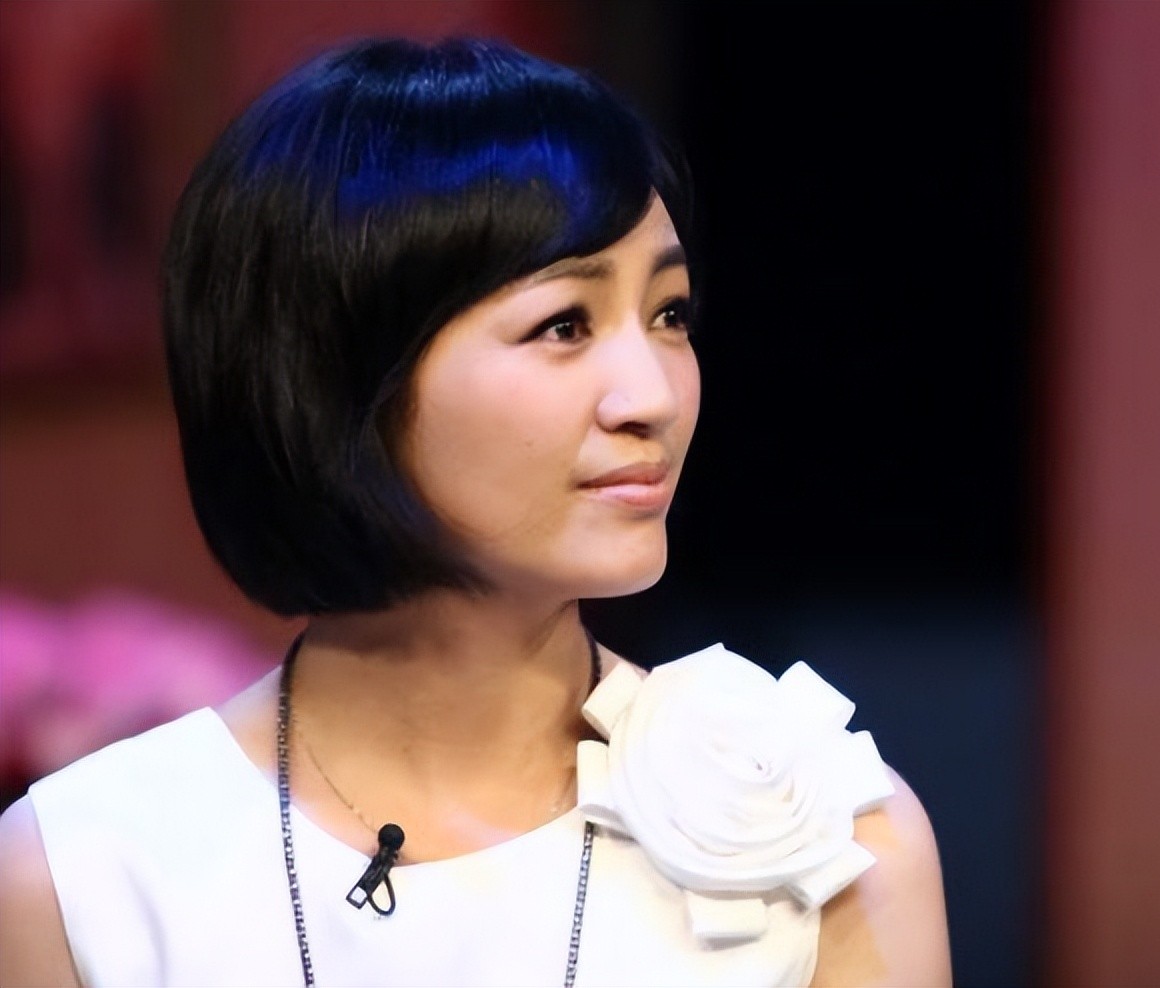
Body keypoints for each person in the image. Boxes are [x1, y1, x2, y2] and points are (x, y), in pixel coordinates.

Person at [0, 36, 950, 987]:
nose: (653, 398)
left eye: (669, 314)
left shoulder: (827, 846)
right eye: (564, 325)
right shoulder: (83, 874)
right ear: (338, 375)